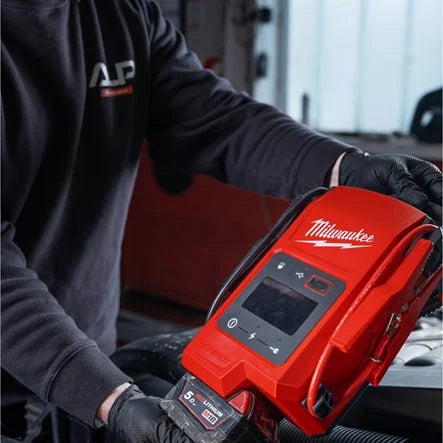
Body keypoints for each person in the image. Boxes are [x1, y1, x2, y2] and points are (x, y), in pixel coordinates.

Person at [2, 1, 441, 442]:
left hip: (94, 362)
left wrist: (345, 166)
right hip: (37, 371)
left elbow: (213, 117)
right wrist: (107, 397)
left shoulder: (120, 12)